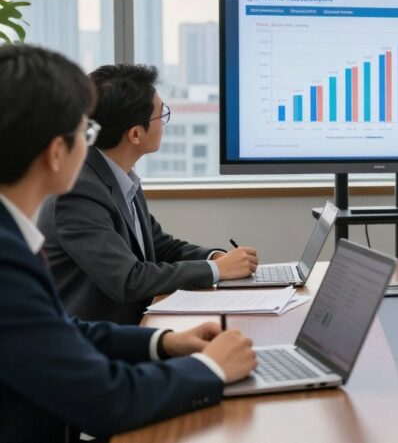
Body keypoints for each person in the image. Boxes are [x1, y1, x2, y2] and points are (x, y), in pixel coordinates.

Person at [0, 43, 257, 441]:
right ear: (55, 152)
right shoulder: (8, 259)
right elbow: (106, 400)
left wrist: (165, 342)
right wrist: (212, 369)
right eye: (84, 131)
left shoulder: (12, 236)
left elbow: (62, 329)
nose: (91, 144)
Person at [38, 64, 260, 324]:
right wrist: (216, 271)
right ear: (135, 134)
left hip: (134, 327)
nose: (164, 122)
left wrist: (214, 258)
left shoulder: (117, 174)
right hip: (97, 344)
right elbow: (128, 280)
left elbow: (159, 246)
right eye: (161, 114)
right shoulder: (77, 191)